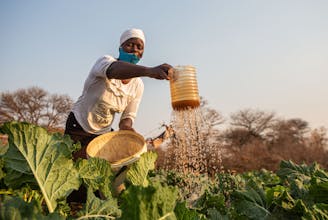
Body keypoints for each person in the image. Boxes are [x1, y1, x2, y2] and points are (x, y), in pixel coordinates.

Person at [64, 28, 173, 160]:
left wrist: (128, 130)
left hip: (103, 134)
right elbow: (113, 70)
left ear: (142, 54)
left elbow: (127, 117)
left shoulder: (138, 85)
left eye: (139, 47)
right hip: (79, 127)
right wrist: (149, 71)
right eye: (129, 45)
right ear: (120, 48)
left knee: (100, 173)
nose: (134, 50)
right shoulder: (105, 62)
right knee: (75, 169)